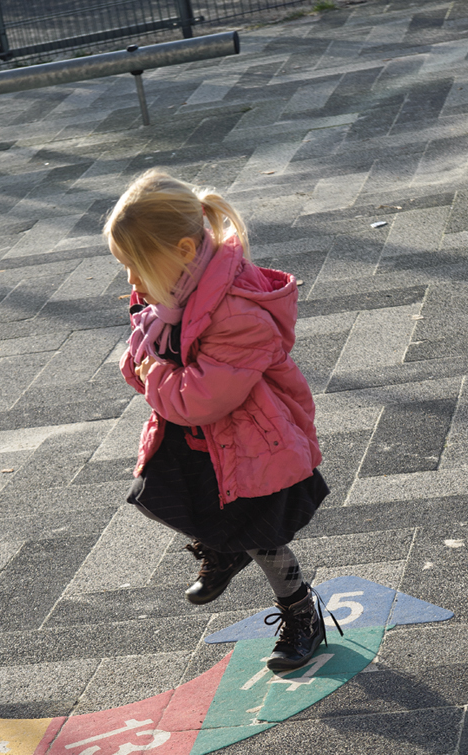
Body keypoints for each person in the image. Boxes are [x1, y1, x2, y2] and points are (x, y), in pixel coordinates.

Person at [104, 169, 336, 672]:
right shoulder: (170, 296)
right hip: (198, 440)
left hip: (251, 444)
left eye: (136, 265)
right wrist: (148, 369)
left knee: (258, 532)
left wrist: (154, 374)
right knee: (167, 495)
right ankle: (220, 545)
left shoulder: (235, 312)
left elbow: (201, 399)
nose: (130, 280)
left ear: (185, 250)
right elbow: (140, 360)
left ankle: (301, 611)